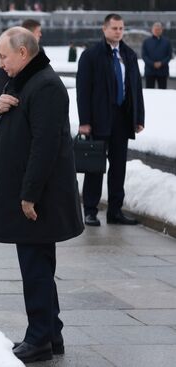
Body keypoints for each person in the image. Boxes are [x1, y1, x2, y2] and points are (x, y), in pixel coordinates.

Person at [0, 27, 83, 364]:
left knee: (35, 267)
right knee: (38, 263)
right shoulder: (21, 79)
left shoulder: (46, 86)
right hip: (28, 193)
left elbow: (46, 147)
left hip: (39, 198)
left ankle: (39, 339)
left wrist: (28, 196)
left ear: (22, 53)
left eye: (3, 56)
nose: (0, 63)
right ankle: (51, 333)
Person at [77, 13, 145, 226]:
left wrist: (138, 117)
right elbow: (83, 90)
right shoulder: (91, 55)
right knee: (95, 166)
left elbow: (136, 88)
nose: (118, 32)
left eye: (121, 28)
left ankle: (115, 211)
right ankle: (90, 210)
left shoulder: (129, 55)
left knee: (118, 167)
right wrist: (85, 121)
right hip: (98, 119)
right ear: (104, 29)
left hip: (122, 119)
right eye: (114, 28)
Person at [0, 19, 42, 97]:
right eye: (38, 32)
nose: (40, 34)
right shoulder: (9, 50)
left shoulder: (40, 52)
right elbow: (2, 83)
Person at [142, 22, 173, 89]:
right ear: (152, 30)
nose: (157, 31)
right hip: (150, 71)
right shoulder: (146, 42)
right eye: (155, 29)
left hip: (163, 71)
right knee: (149, 92)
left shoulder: (167, 42)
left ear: (161, 30)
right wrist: (153, 64)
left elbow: (169, 55)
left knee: (163, 92)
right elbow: (144, 56)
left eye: (159, 29)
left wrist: (161, 63)